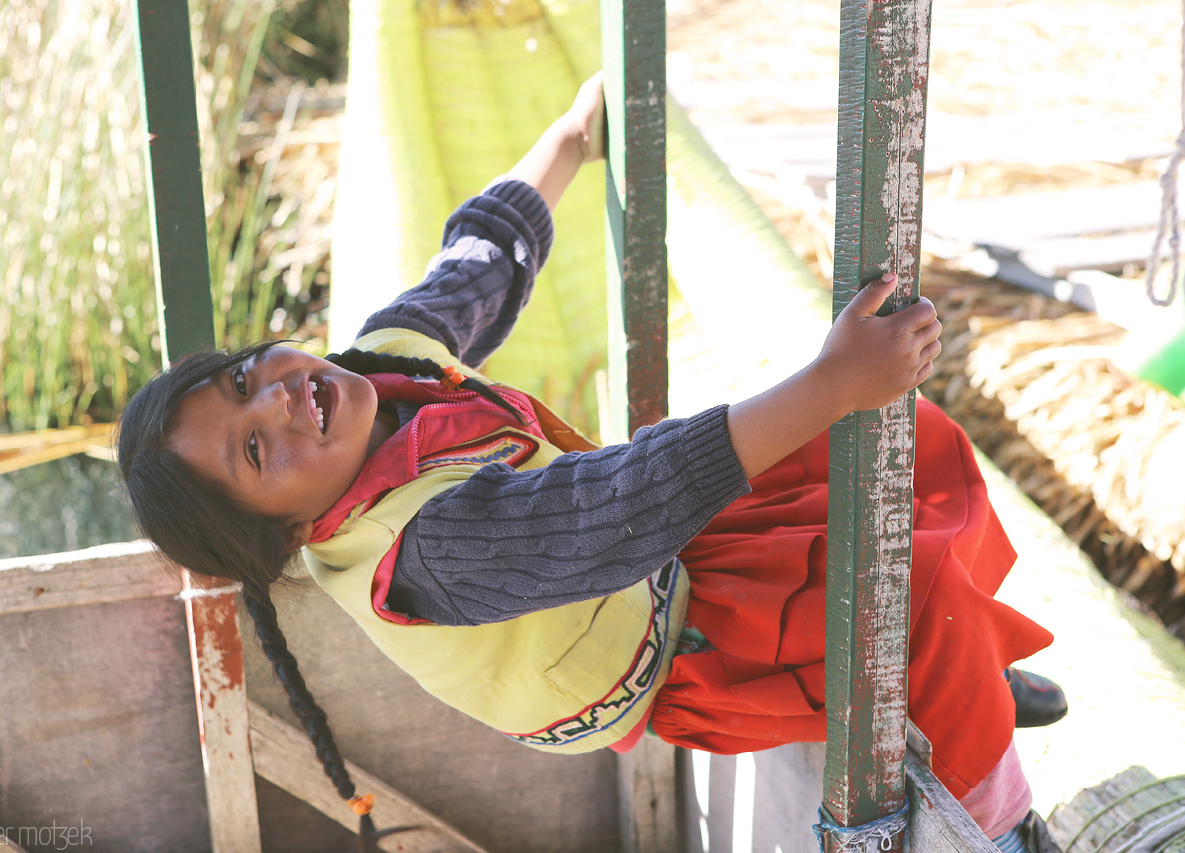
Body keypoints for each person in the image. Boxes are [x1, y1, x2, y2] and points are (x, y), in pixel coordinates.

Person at [117, 75, 1061, 852]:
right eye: (254, 448)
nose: (275, 400)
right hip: (676, 651)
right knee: (911, 587)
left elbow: (480, 263)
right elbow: (622, 502)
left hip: (658, 560)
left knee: (902, 440)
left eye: (243, 377)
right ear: (288, 528)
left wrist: (570, 137)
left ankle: (961, 677)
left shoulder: (382, 363)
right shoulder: (429, 548)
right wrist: (829, 379)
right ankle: (995, 820)